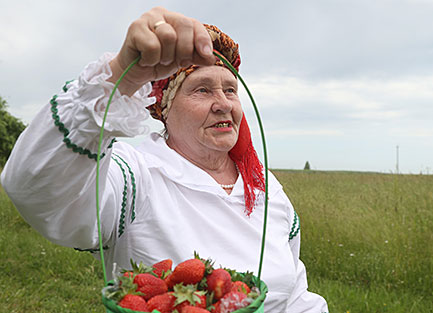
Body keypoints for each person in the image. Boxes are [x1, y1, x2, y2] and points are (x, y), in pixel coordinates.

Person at [1, 6, 328, 313]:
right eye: (202, 90)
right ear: (164, 110)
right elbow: (36, 189)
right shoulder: (137, 175)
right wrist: (122, 77)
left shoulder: (265, 188)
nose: (223, 103)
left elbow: (295, 293)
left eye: (230, 90)